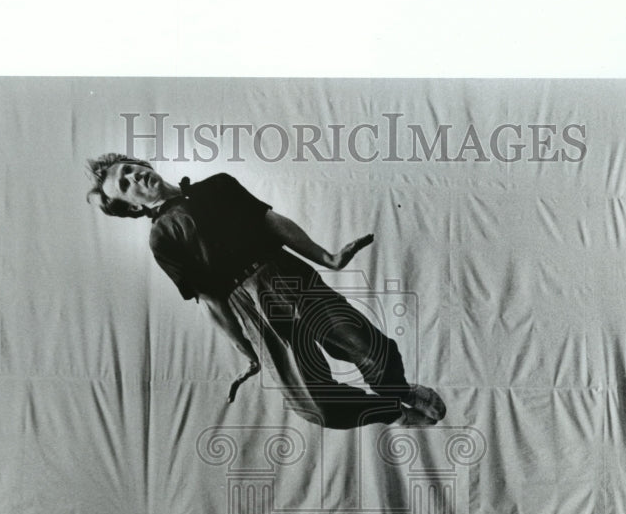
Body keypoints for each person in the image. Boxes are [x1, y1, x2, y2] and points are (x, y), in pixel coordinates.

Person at [86, 154, 446, 429]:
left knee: (369, 347)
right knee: (312, 402)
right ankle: (394, 414)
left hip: (289, 276)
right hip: (249, 305)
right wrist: (246, 350)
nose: (134, 175)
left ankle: (401, 391)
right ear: (131, 205)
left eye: (131, 166)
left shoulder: (218, 185)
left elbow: (274, 224)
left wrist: (329, 258)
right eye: (125, 182)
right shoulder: (161, 237)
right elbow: (209, 300)